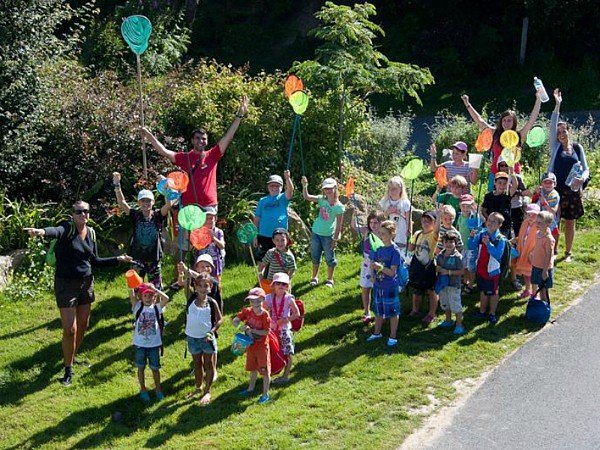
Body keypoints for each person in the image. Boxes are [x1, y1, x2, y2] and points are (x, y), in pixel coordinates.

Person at [24, 201, 132, 386]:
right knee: (69, 329)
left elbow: (95, 261)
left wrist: (118, 259)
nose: (83, 214)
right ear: (72, 214)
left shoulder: (91, 233)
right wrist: (41, 232)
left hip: (86, 283)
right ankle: (68, 370)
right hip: (66, 284)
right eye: (79, 211)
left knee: (83, 325)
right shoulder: (68, 228)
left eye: (86, 211)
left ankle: (71, 357)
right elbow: (55, 231)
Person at [140, 96, 249, 209]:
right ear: (192, 140)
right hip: (189, 206)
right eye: (198, 138)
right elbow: (163, 151)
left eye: (204, 139)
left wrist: (239, 116)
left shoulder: (213, 155)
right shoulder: (183, 157)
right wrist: (148, 135)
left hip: (209, 205)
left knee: (208, 228)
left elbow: (228, 137)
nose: (201, 141)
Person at [461, 91, 542, 190]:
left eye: (509, 120)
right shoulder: (494, 133)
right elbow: (479, 120)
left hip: (514, 175)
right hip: (495, 174)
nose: (506, 123)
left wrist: (538, 100)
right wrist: (467, 104)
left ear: (514, 122)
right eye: (504, 120)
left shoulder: (519, 135)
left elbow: (532, 119)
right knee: (493, 202)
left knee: (514, 202)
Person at [548, 88, 590, 262]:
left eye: (564, 131)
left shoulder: (578, 148)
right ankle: (555, 249)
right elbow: (552, 123)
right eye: (558, 132)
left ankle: (568, 253)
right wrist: (557, 104)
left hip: (572, 191)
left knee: (570, 222)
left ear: (568, 132)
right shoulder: (555, 147)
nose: (561, 134)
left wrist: (583, 179)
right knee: (555, 221)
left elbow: (586, 169)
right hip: (556, 190)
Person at [113, 172, 172, 289]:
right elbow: (122, 203)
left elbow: (169, 204)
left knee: (155, 288)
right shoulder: (135, 215)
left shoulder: (158, 215)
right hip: (137, 258)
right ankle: (137, 305)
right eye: (143, 201)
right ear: (139, 203)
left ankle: (157, 306)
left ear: (153, 202)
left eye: (148, 201)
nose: (146, 203)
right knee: (136, 286)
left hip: (154, 258)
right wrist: (117, 185)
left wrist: (166, 189)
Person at [185, 272, 223, 405]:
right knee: (197, 364)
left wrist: (212, 332)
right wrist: (184, 273)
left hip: (206, 339)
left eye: (205, 286)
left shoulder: (212, 303)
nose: (202, 288)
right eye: (200, 286)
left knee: (209, 364)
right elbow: (185, 284)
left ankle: (207, 391)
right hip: (192, 338)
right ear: (195, 287)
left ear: (210, 287)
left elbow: (220, 320)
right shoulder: (190, 298)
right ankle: (198, 388)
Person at [301, 176, 345, 288]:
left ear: (335, 188)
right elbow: (307, 197)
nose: (328, 190)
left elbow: (339, 225)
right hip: (316, 232)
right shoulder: (321, 199)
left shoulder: (339, 207)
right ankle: (314, 277)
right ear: (323, 190)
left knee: (330, 258)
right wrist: (305, 185)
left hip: (328, 236)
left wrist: (335, 239)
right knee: (315, 256)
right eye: (326, 188)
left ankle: (330, 279)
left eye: (330, 188)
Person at [129, 283, 170, 402]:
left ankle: (158, 390)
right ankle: (143, 389)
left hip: (154, 346)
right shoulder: (137, 307)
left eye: (151, 295)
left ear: (155, 297)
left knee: (155, 368)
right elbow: (131, 294)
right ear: (141, 297)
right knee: (140, 368)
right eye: (145, 295)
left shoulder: (157, 308)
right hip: (139, 345)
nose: (148, 298)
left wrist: (155, 289)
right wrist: (131, 282)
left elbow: (166, 298)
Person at [366, 220, 404, 347]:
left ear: (392, 234)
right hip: (378, 285)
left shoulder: (395, 251)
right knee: (378, 310)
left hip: (390, 286)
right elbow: (373, 264)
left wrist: (380, 268)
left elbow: (393, 272)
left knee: (393, 312)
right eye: (380, 233)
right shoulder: (379, 248)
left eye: (384, 234)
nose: (381, 236)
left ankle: (393, 336)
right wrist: (372, 275)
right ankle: (377, 333)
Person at [233, 287, 272, 404]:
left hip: (262, 348)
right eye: (252, 301)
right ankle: (251, 389)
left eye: (257, 300)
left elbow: (266, 332)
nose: (255, 303)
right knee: (252, 369)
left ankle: (265, 394)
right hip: (250, 346)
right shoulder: (247, 311)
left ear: (263, 299)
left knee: (265, 371)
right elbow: (235, 320)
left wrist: (252, 330)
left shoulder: (265, 315)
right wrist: (240, 326)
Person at [469, 212, 507, 325]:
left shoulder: (501, 239)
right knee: (483, 290)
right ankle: (482, 311)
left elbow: (498, 255)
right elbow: (471, 246)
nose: (489, 223)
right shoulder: (482, 234)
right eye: (489, 220)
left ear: (499, 225)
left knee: (494, 292)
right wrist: (471, 238)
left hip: (492, 271)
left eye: (493, 221)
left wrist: (488, 244)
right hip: (481, 269)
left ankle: (492, 313)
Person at [264, 272, 300, 384]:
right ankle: (269, 372)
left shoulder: (289, 298)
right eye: (278, 283)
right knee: (271, 351)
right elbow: (263, 312)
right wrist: (268, 313)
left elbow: (297, 314)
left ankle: (285, 376)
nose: (281, 286)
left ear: (287, 286)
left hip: (285, 330)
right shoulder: (268, 298)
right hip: (272, 330)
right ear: (273, 285)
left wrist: (285, 320)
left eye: (284, 284)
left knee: (288, 352)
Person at [351, 209, 384, 323]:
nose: (373, 225)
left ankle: (380, 312)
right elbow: (354, 226)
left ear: (381, 223)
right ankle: (366, 311)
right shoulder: (366, 231)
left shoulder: (384, 233)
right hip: (367, 263)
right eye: (371, 222)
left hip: (379, 264)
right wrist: (354, 215)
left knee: (380, 288)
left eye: (376, 222)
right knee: (366, 287)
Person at [407, 211, 439, 327]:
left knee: (431, 291)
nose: (425, 223)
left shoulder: (434, 235)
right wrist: (409, 237)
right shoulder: (418, 233)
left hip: (429, 267)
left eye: (429, 221)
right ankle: (415, 310)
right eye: (424, 220)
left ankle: (432, 313)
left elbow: (437, 230)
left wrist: (439, 216)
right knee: (416, 289)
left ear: (434, 223)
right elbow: (410, 248)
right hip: (417, 266)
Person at [253, 171, 294, 260]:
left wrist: (287, 178)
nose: (274, 187)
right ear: (268, 187)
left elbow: (290, 190)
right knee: (263, 260)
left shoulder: (283, 198)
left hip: (280, 236)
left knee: (281, 259)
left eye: (277, 185)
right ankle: (262, 274)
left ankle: (281, 274)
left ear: (281, 187)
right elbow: (256, 219)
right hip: (264, 235)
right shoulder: (262, 201)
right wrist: (254, 236)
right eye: (272, 185)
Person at [435, 232, 465, 335]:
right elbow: (437, 267)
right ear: (442, 243)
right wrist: (437, 269)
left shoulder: (457, 257)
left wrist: (448, 272)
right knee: (445, 303)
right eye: (446, 242)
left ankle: (459, 325)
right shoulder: (440, 255)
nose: (448, 244)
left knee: (455, 305)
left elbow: (462, 271)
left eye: (451, 242)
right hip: (443, 285)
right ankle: (448, 320)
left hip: (453, 285)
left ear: (455, 243)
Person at [495, 159, 530, 240]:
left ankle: (518, 246)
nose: (504, 167)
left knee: (517, 228)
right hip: (502, 207)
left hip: (516, 206)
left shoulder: (517, 177)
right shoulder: (497, 177)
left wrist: (515, 193)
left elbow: (524, 190)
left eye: (506, 165)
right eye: (501, 165)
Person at [511, 203, 541, 299]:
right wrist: (517, 239)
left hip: (533, 254)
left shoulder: (539, 226)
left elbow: (541, 241)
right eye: (529, 214)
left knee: (533, 275)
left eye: (534, 215)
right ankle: (527, 290)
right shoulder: (525, 223)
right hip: (523, 252)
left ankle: (535, 293)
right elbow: (524, 236)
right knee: (525, 273)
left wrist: (534, 252)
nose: (531, 217)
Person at [482, 171, 518, 238]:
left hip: (505, 226)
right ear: (495, 183)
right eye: (499, 183)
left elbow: (515, 185)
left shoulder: (507, 195)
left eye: (504, 183)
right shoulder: (488, 196)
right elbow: (483, 210)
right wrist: (490, 220)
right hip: (492, 226)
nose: (502, 185)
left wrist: (512, 171)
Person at [379, 176, 412, 249]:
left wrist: (409, 233)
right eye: (390, 189)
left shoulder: (405, 203)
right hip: (387, 233)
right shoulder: (384, 202)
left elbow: (409, 219)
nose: (392, 191)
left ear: (400, 189)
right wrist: (388, 212)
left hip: (401, 232)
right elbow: (379, 217)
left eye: (395, 189)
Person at [529, 211, 555, 302]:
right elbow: (537, 247)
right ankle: (540, 305)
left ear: (548, 224)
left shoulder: (549, 239)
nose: (537, 224)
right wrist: (532, 254)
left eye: (540, 223)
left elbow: (549, 255)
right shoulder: (538, 234)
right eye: (537, 222)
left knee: (544, 289)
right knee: (540, 286)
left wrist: (545, 271)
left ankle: (545, 306)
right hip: (536, 265)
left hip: (544, 268)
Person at [195, 206, 225, 282]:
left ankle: (217, 293)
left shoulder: (219, 232)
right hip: (203, 261)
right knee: (203, 280)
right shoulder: (199, 231)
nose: (209, 220)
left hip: (215, 260)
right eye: (206, 218)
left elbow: (222, 246)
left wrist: (213, 238)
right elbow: (196, 247)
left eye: (211, 218)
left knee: (216, 281)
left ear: (215, 219)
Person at [531, 172, 560, 246]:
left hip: (549, 222)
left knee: (549, 241)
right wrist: (536, 194)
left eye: (550, 182)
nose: (547, 185)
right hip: (539, 220)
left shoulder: (554, 195)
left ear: (555, 184)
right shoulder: (541, 191)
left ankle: (552, 252)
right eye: (545, 182)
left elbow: (553, 211)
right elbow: (533, 202)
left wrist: (544, 202)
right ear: (541, 184)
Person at [457, 194, 478, 294]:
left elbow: (478, 229)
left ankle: (471, 284)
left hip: (471, 247)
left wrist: (474, 232)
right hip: (462, 246)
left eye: (468, 206)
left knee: (471, 267)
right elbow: (458, 229)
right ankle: (465, 280)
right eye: (463, 206)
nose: (465, 208)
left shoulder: (474, 217)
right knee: (464, 265)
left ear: (472, 206)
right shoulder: (460, 216)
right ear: (460, 206)